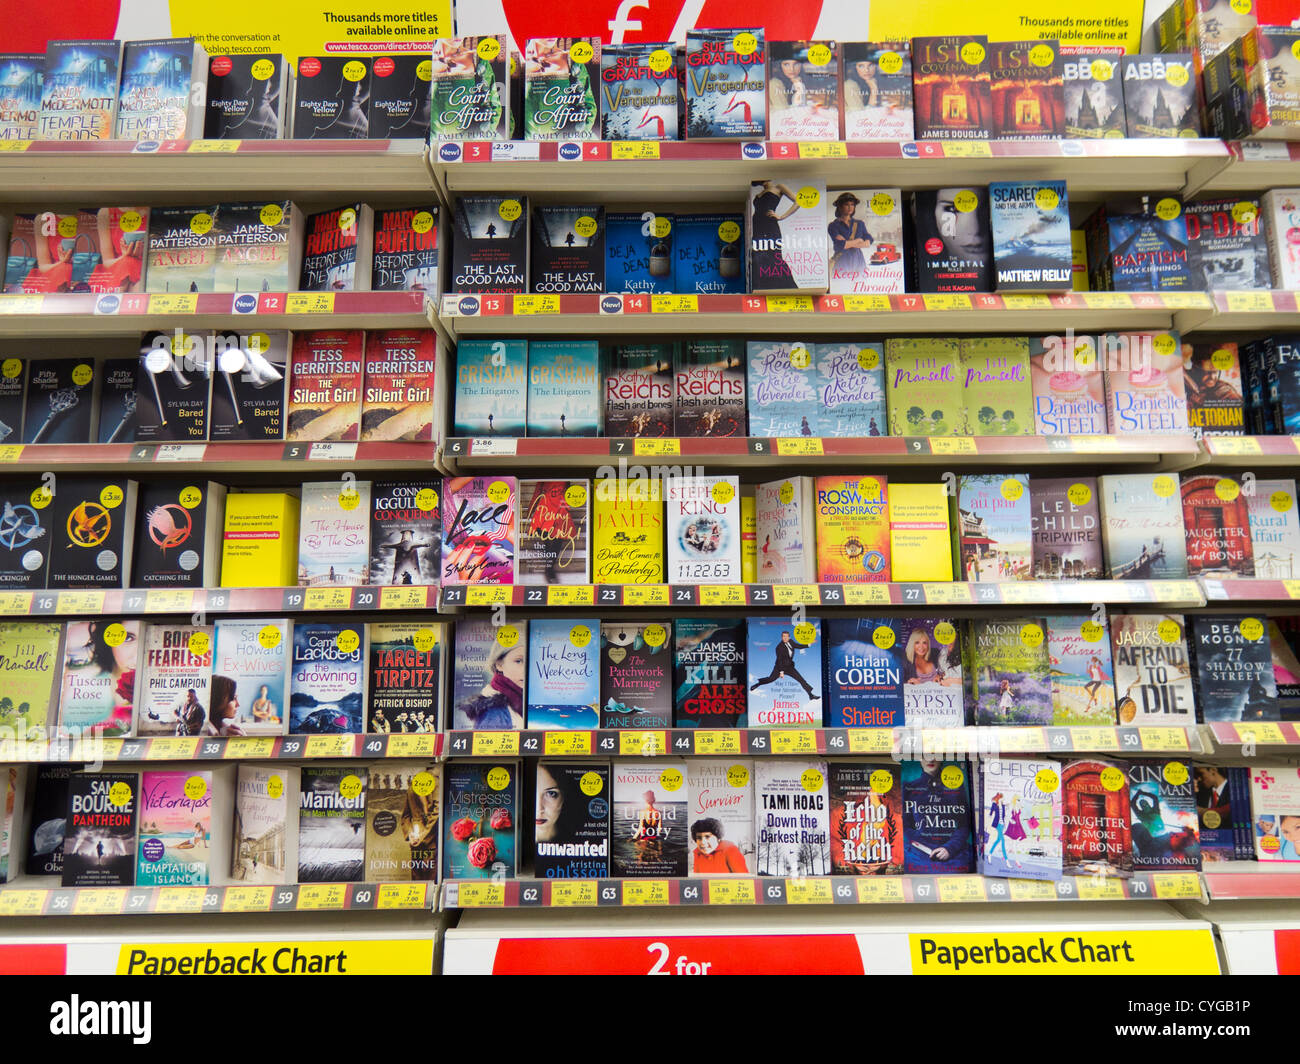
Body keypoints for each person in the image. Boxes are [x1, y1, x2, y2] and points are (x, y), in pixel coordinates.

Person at [456, 638, 526, 730]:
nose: (526, 669)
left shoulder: (523, 700)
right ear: (499, 665)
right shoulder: (494, 711)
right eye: (518, 661)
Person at [749, 180, 800, 289]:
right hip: (757, 227)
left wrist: (782, 216)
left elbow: (798, 201)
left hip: (770, 226)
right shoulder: (758, 194)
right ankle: (761, 288)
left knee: (774, 255)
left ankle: (787, 288)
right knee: (757, 256)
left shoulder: (779, 187)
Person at [750, 629, 819, 701]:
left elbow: (798, 646)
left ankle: (810, 695)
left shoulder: (791, 642)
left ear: (789, 637)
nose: (785, 638)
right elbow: (780, 660)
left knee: (801, 679)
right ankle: (758, 683)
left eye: (786, 636)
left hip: (789, 667)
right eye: (783, 636)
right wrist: (781, 671)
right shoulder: (779, 647)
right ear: (782, 637)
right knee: (771, 679)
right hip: (779, 667)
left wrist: (809, 643)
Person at [535, 763, 587, 844]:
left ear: (563, 797)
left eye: (551, 794)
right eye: (531, 792)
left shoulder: (581, 842)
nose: (539, 809)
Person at [827, 191, 874, 278]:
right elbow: (839, 245)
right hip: (842, 261)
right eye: (846, 204)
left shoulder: (859, 224)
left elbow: (869, 240)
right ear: (840, 207)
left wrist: (848, 243)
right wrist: (858, 241)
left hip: (858, 261)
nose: (850, 207)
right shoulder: (833, 225)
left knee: (860, 286)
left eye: (852, 204)